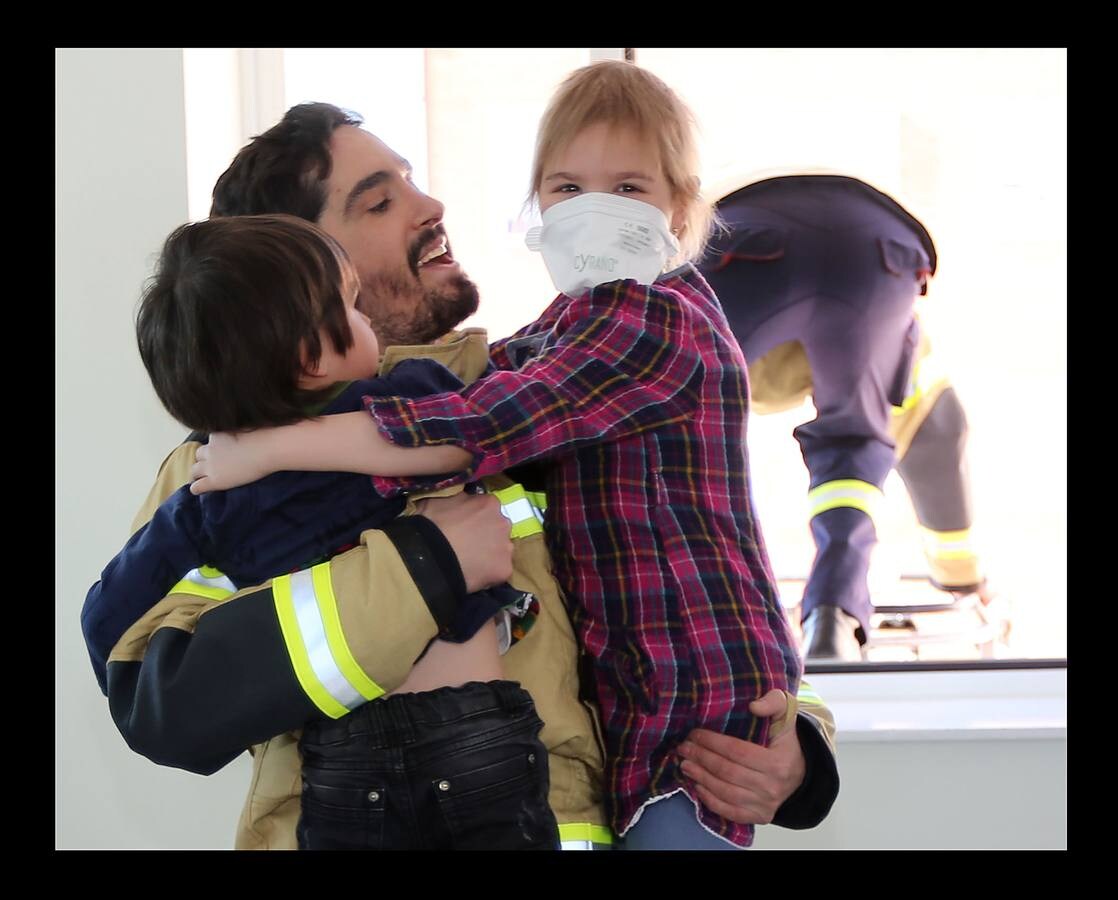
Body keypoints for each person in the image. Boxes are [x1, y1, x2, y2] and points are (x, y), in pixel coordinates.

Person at [91, 100, 839, 851]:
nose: (431, 206)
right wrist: (425, 566)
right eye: (381, 201)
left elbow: (701, 567)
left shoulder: (534, 389)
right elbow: (163, 704)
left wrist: (798, 750)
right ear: (299, 266)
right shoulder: (223, 464)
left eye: (412, 181)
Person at [82, 213, 560, 849]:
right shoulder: (407, 399)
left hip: (341, 764)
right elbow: (458, 443)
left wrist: (270, 451)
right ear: (311, 355)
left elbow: (110, 616)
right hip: (468, 733)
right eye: (351, 305)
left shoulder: (215, 492)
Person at [696, 172, 993, 661]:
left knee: (669, 415)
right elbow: (940, 434)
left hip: (739, 245)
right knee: (853, 446)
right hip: (878, 253)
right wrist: (964, 582)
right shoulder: (908, 346)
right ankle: (832, 617)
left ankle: (693, 602)